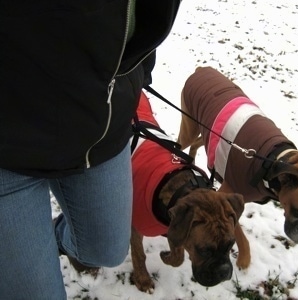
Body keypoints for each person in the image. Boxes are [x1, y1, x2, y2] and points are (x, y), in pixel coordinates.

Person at [0, 1, 181, 299]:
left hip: (99, 127)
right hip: (8, 148)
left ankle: (47, 240)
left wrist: (138, 71)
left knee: (107, 251)